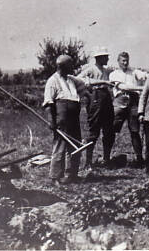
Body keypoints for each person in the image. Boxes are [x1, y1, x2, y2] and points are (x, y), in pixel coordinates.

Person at [43, 55, 87, 185]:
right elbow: (48, 103)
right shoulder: (52, 81)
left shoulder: (71, 80)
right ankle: (55, 177)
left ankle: (71, 174)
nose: (73, 67)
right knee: (60, 147)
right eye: (70, 65)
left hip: (74, 118)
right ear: (63, 66)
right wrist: (51, 120)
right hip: (62, 119)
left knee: (75, 145)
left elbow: (85, 84)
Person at [77, 47, 115, 168]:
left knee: (109, 130)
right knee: (94, 130)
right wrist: (102, 82)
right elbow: (79, 79)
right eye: (106, 57)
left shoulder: (106, 70)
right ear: (99, 58)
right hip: (96, 98)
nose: (108, 59)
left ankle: (106, 159)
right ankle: (88, 162)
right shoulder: (90, 69)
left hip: (106, 99)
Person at [109, 52, 147, 167]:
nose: (125, 63)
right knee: (112, 129)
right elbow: (123, 87)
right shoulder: (114, 74)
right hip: (119, 101)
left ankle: (139, 158)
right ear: (118, 61)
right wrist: (142, 88)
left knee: (135, 131)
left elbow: (145, 76)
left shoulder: (134, 72)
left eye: (127, 60)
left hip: (133, 102)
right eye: (123, 61)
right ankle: (107, 157)